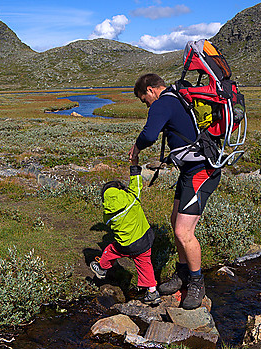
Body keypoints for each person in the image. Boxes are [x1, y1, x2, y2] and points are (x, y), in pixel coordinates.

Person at [127, 73, 221, 310]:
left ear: (150, 90)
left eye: (143, 99)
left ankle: (197, 283)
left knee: (183, 231)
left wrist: (136, 149)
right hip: (192, 170)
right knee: (174, 220)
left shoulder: (164, 102)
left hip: (201, 171)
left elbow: (149, 135)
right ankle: (181, 274)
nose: (146, 104)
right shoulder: (179, 98)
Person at [89, 164, 160, 305]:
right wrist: (135, 170)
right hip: (145, 240)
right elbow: (136, 185)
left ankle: (102, 269)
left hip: (126, 245)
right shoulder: (132, 199)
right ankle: (152, 292)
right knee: (145, 264)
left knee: (110, 250)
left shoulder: (107, 216)